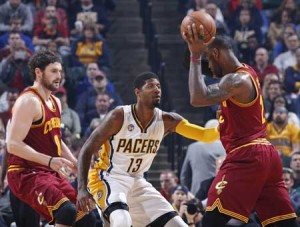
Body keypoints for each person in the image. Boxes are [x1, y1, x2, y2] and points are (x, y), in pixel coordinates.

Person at [182, 32, 297, 226]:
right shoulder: (246, 73)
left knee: (212, 220)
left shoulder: (236, 81)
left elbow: (197, 98)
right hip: (266, 156)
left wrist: (195, 55)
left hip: (246, 155)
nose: (209, 68)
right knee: (282, 223)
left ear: (216, 53)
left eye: (208, 62)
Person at [76, 72, 220, 227]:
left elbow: (206, 135)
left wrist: (225, 122)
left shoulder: (167, 120)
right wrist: (82, 188)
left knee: (179, 225)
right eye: (150, 86)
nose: (157, 89)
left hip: (137, 181)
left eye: (158, 86)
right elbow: (87, 149)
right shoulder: (119, 116)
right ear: (138, 92)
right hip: (109, 177)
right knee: (122, 221)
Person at [5, 50, 96, 227]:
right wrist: (50, 161)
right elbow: (12, 144)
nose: (59, 76)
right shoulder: (29, 101)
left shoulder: (56, 102)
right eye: (53, 71)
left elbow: (56, 139)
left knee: (86, 217)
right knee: (67, 212)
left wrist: (75, 164)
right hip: (25, 172)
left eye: (60, 71)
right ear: (38, 73)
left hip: (47, 172)